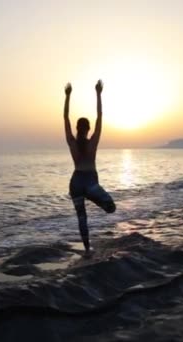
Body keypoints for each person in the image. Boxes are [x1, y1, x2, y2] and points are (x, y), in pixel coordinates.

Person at [63, 80, 116, 255]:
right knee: (110, 207)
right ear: (88, 128)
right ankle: (92, 197)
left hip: (76, 182)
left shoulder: (72, 142)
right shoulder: (93, 142)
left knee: (82, 218)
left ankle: (87, 250)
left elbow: (65, 118)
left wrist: (68, 96)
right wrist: (98, 94)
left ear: (78, 128)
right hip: (90, 182)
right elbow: (100, 117)